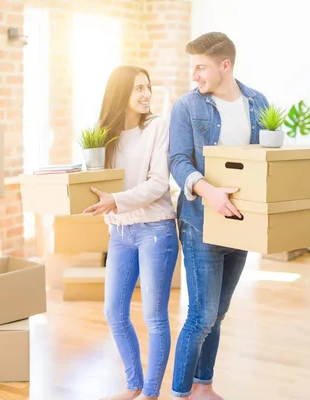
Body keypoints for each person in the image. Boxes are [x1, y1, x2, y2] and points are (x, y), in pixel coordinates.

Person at [168, 32, 270, 399]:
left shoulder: (258, 103)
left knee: (219, 313)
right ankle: (180, 392)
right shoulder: (187, 107)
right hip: (200, 221)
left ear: (225, 65)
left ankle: (203, 385)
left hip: (240, 224)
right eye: (192, 67)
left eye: (201, 67)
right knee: (201, 317)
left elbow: (262, 162)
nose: (194, 75)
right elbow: (177, 160)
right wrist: (207, 190)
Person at [84, 65, 179, 400]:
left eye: (147, 87)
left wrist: (115, 201)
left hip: (156, 230)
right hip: (121, 232)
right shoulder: (103, 135)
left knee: (154, 315)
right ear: (119, 93)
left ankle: (151, 393)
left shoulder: (157, 127)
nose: (145, 94)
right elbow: (95, 180)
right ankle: (133, 385)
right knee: (114, 311)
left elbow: (157, 184)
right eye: (138, 88)